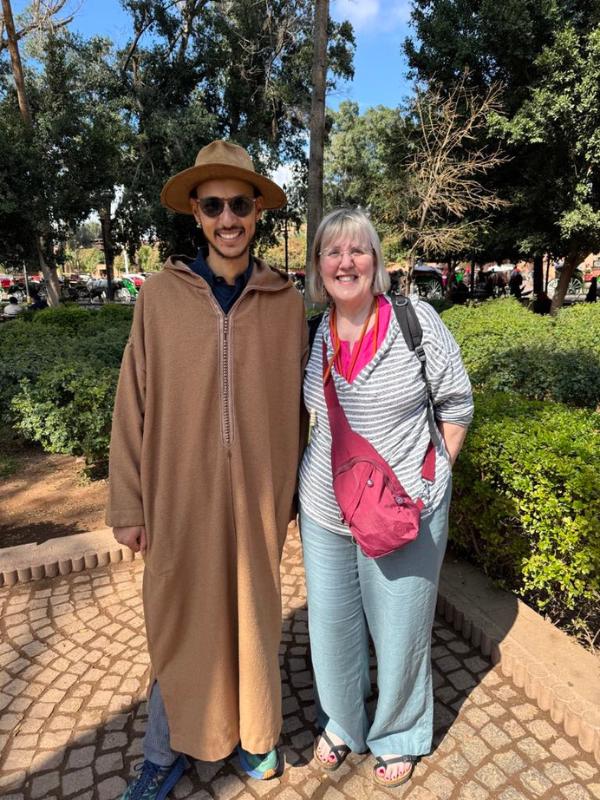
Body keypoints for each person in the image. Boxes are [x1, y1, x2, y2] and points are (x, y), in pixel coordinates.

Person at [107, 140, 307, 799]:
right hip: (180, 499)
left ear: (257, 213)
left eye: (241, 204)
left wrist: (297, 495)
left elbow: (301, 410)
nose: (229, 218)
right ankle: (166, 751)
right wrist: (129, 506)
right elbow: (132, 404)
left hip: (255, 502)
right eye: (215, 204)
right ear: (196, 211)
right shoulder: (160, 299)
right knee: (181, 617)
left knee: (252, 614)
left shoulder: (284, 304)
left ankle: (253, 739)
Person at [299, 209, 473, 788]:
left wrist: (437, 476)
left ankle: (399, 732)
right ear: (318, 264)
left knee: (400, 629)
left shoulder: (413, 321)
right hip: (326, 512)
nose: (345, 262)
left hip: (404, 509)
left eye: (358, 251)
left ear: (376, 262)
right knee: (332, 626)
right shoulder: (313, 333)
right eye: (332, 252)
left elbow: (457, 403)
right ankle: (343, 723)